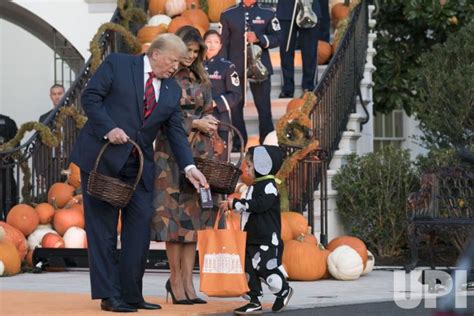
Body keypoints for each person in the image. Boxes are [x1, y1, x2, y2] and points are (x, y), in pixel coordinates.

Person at [69, 33, 208, 313]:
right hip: (102, 160)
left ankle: (132, 294)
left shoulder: (169, 89)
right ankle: (110, 296)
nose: (174, 69)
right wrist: (108, 127)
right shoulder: (118, 64)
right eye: (172, 62)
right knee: (104, 231)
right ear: (155, 54)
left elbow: (176, 132)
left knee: (140, 231)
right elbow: (91, 97)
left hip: (139, 167)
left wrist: (190, 167)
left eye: (178, 65)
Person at [150, 26, 219, 306]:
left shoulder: (202, 77)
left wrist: (210, 125)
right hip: (169, 156)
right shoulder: (166, 77)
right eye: (187, 50)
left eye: (195, 51)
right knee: (172, 223)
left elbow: (210, 109)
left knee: (192, 224)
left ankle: (190, 283)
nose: (190, 56)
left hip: (199, 153)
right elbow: (159, 116)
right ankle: (175, 282)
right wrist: (193, 123)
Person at [228, 145, 293, 314]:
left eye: (250, 166)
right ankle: (254, 299)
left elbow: (259, 205)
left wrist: (236, 204)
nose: (247, 169)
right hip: (251, 237)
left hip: (266, 239)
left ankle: (283, 290)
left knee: (266, 269)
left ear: (262, 165)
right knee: (248, 270)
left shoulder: (269, 186)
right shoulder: (254, 186)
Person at [219, 0, 281, 150]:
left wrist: (260, 39)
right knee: (235, 108)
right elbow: (223, 44)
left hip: (260, 69)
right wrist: (225, 70)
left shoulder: (268, 12)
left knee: (264, 107)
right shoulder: (228, 14)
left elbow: (278, 38)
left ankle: (266, 143)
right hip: (236, 69)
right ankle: (240, 143)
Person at [277, 0, 329, 98]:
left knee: (310, 51)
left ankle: (309, 87)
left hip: (310, 8)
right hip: (286, 9)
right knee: (286, 51)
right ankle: (287, 87)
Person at [203, 29, 242, 161]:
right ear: (202, 44)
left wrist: (215, 103)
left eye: (216, 42)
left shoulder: (228, 67)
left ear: (220, 45)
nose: (212, 45)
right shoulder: (196, 66)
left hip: (221, 121)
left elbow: (236, 94)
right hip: (199, 120)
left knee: (221, 162)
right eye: (208, 41)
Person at [0, 114, 19, 219]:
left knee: (11, 210)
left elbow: (16, 145)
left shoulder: (8, 122)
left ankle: (10, 233)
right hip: (7, 173)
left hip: (7, 172)